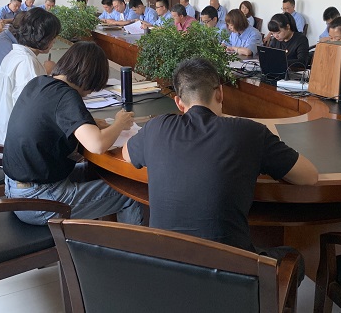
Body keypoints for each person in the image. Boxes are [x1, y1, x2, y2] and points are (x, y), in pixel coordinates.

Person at [123, 58, 317, 259]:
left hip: (162, 266)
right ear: (220, 94)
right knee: (293, 257)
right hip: (231, 270)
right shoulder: (249, 133)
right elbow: (309, 176)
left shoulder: (156, 127)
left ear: (179, 103)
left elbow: (126, 154)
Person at [3, 42, 142, 226]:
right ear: (90, 77)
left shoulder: (40, 83)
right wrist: (119, 123)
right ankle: (129, 245)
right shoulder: (67, 96)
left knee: (98, 172)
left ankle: (95, 236)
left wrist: (89, 122)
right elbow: (97, 145)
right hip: (39, 199)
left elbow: (49, 119)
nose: (90, 93)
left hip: (16, 189)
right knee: (129, 194)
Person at [0, 7, 61, 145]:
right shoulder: (27, 62)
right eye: (53, 36)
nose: (54, 41)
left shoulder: (15, 55)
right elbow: (35, 111)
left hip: (6, 137)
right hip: (17, 145)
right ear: (42, 36)